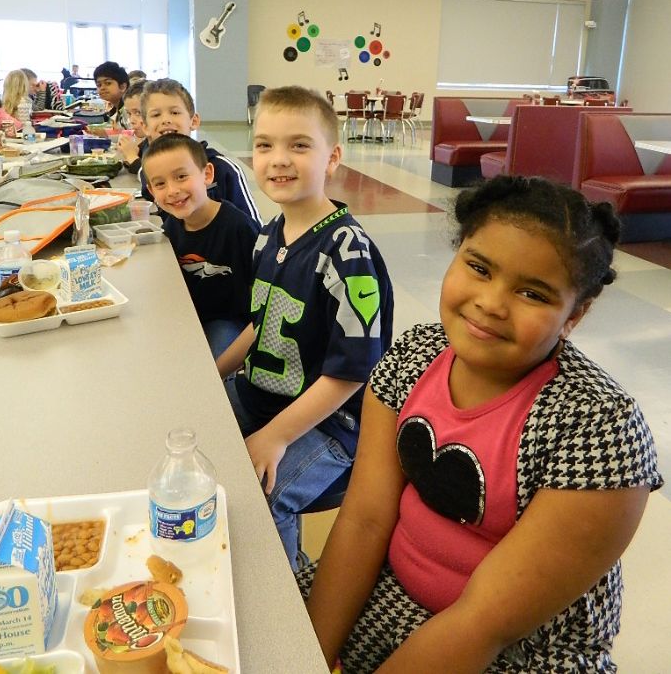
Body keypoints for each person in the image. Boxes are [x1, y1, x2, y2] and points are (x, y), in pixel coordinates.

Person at [299, 175, 663, 673]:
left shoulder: (598, 428)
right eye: (479, 267)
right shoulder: (414, 354)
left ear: (574, 314)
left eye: (533, 293)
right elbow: (364, 518)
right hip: (391, 590)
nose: (491, 303)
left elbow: (483, 623)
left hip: (521, 648)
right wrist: (304, 655)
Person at [216, 86, 394, 570]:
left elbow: (352, 372)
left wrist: (275, 436)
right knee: (195, 426)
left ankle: (289, 591)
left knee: (265, 497)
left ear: (332, 157)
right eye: (265, 145)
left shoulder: (348, 253)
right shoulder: (268, 236)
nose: (278, 159)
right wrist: (216, 372)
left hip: (331, 422)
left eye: (299, 145)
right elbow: (260, 323)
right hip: (263, 394)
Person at [142, 133, 260, 358]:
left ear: (207, 174)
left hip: (229, 320)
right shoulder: (172, 225)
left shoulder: (238, 227)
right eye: (160, 184)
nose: (172, 190)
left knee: (215, 362)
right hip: (189, 315)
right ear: (151, 190)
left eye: (181, 176)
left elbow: (261, 291)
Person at [139, 78, 261, 225]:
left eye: (175, 112)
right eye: (156, 115)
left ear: (194, 121)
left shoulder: (222, 167)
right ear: (145, 126)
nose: (166, 120)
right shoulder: (148, 170)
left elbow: (253, 226)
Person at [117, 80, 148, 175]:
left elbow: (153, 178)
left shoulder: (167, 146)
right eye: (129, 114)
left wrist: (131, 156)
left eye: (138, 113)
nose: (131, 120)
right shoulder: (147, 143)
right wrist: (128, 152)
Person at [93, 61, 130, 128]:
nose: (102, 88)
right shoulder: (115, 109)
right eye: (99, 85)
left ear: (123, 87)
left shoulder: (129, 110)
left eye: (108, 83)